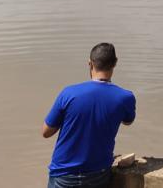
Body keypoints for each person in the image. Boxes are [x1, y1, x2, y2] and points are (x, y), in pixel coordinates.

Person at [42, 42, 136, 187]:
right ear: (115, 63)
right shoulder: (125, 97)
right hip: (98, 174)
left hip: (63, 175)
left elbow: (46, 132)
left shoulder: (69, 93)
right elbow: (128, 121)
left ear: (90, 63)